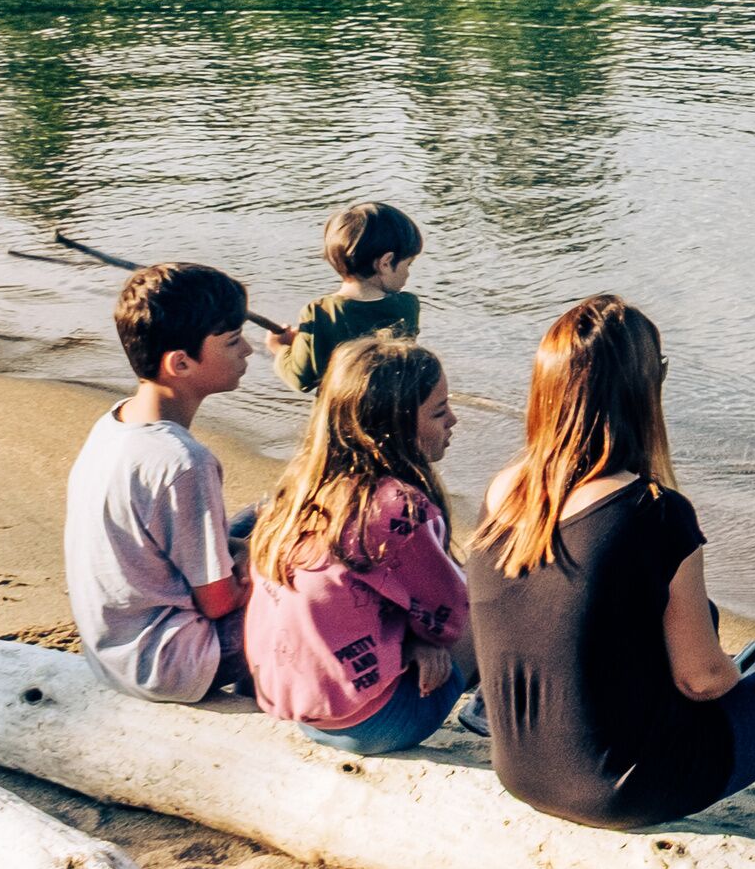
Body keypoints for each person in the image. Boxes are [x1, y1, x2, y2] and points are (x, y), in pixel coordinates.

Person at [465, 296, 755, 850]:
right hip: (623, 789)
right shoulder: (654, 511)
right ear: (647, 387)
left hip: (523, 771)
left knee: (685, 620)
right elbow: (702, 680)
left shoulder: (505, 490)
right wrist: (738, 676)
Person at [242, 336, 473, 754]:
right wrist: (429, 637)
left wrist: (415, 639)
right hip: (377, 719)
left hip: (303, 711)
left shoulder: (300, 494)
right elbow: (452, 617)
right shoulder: (396, 507)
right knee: (487, 592)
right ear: (396, 427)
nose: (453, 420)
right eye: (440, 411)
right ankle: (488, 713)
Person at [63, 261, 255, 703]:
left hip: (112, 647)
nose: (247, 349)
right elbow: (220, 604)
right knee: (322, 579)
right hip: (166, 664)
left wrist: (249, 550)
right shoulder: (183, 462)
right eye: (232, 341)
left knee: (269, 517)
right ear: (181, 363)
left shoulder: (117, 421)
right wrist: (262, 565)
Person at [272, 201, 424, 396]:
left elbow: (302, 379)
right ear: (386, 263)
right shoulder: (407, 306)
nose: (408, 274)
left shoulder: (319, 312)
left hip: (337, 420)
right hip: (395, 416)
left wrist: (281, 348)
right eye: (408, 264)